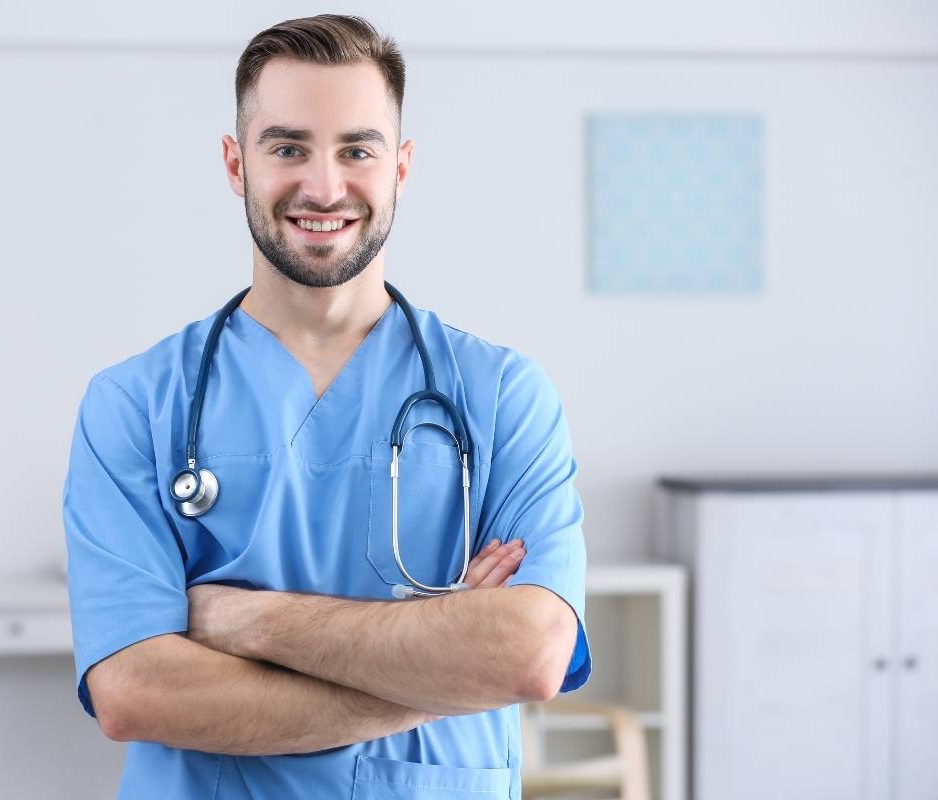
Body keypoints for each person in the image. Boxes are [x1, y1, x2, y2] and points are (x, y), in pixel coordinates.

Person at [61, 14, 591, 799]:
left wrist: (247, 623)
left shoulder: (503, 397)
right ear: (236, 164)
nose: (323, 186)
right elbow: (136, 691)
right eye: (287, 148)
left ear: (400, 168)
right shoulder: (133, 405)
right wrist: (438, 672)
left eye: (356, 149)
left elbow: (529, 657)